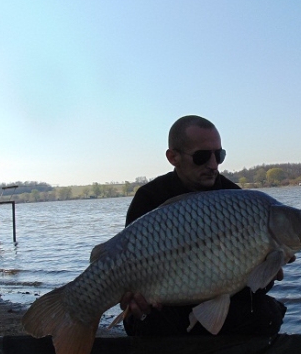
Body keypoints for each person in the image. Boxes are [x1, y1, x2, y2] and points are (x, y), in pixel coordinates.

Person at [120, 115, 290, 337]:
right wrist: (135, 303)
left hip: (224, 302)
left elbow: (253, 288)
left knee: (265, 313)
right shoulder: (149, 198)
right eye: (201, 157)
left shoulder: (237, 200)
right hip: (168, 308)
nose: (213, 165)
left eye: (219, 155)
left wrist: (267, 272)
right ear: (173, 157)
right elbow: (127, 275)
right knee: (148, 323)